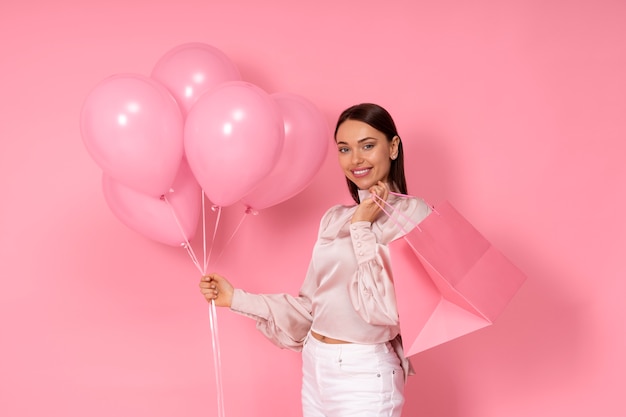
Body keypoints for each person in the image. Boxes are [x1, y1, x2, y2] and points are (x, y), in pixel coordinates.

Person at [199, 103, 431, 417]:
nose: (356, 159)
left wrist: (362, 226)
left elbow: (386, 310)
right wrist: (236, 299)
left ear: (392, 147)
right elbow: (312, 307)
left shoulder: (414, 216)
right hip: (315, 366)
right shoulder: (335, 218)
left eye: (367, 145)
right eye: (345, 149)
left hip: (363, 374)